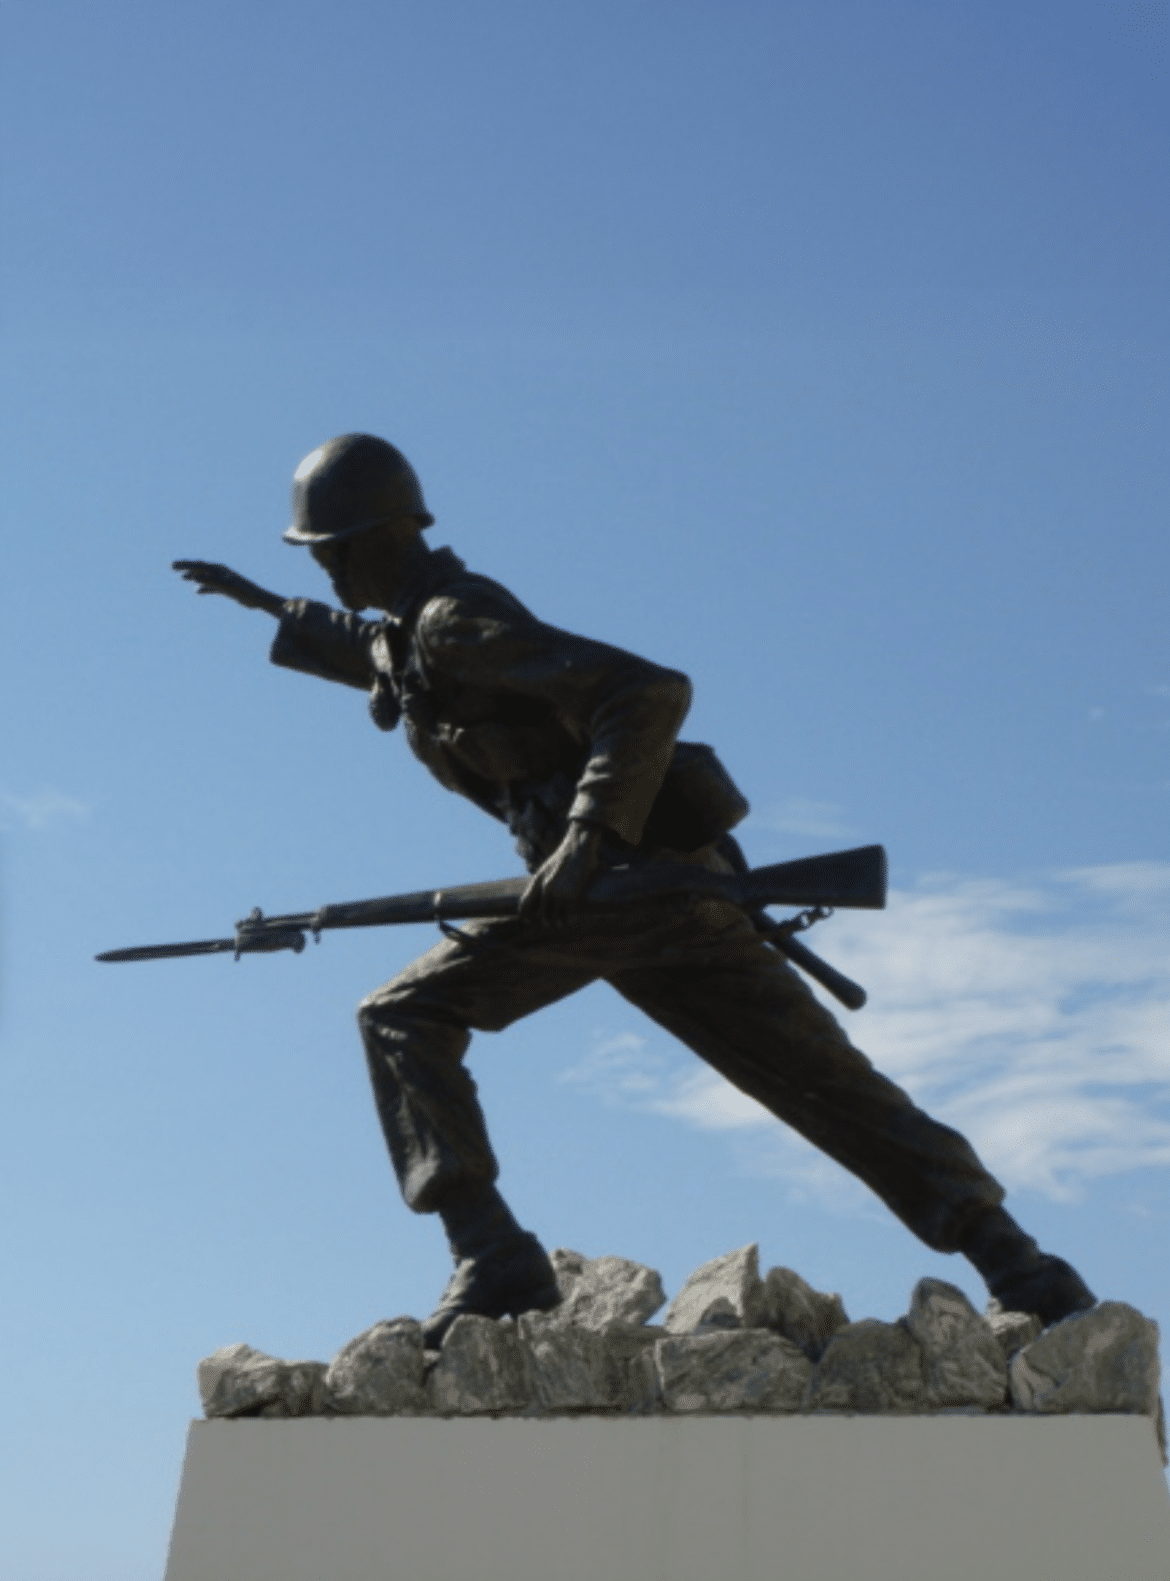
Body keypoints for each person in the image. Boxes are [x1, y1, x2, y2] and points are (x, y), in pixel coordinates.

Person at [175, 432, 1096, 1347]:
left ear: (381, 538)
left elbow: (647, 692)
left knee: (399, 1017)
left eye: (330, 552)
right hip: (646, 897)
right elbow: (385, 658)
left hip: (613, 888)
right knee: (826, 1085)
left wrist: (583, 840)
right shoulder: (418, 633)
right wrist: (268, 605)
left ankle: (492, 1252)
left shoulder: (453, 620)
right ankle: (1021, 1264)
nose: (327, 571)